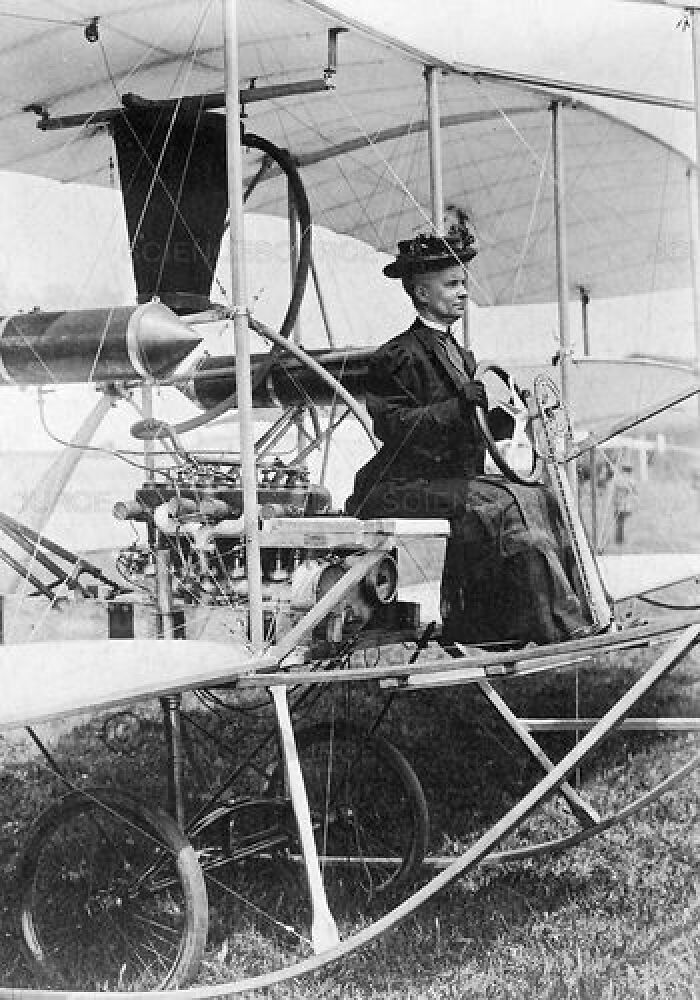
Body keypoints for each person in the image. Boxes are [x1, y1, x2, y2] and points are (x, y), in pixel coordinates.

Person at [346, 229, 592, 645]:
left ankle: (566, 618)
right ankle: (544, 627)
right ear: (423, 293)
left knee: (541, 497)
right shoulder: (396, 355)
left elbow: (469, 425)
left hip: (446, 482)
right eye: (452, 284)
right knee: (504, 501)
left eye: (463, 283)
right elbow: (394, 429)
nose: (463, 293)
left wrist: (510, 418)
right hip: (395, 485)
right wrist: (460, 408)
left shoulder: (462, 356)